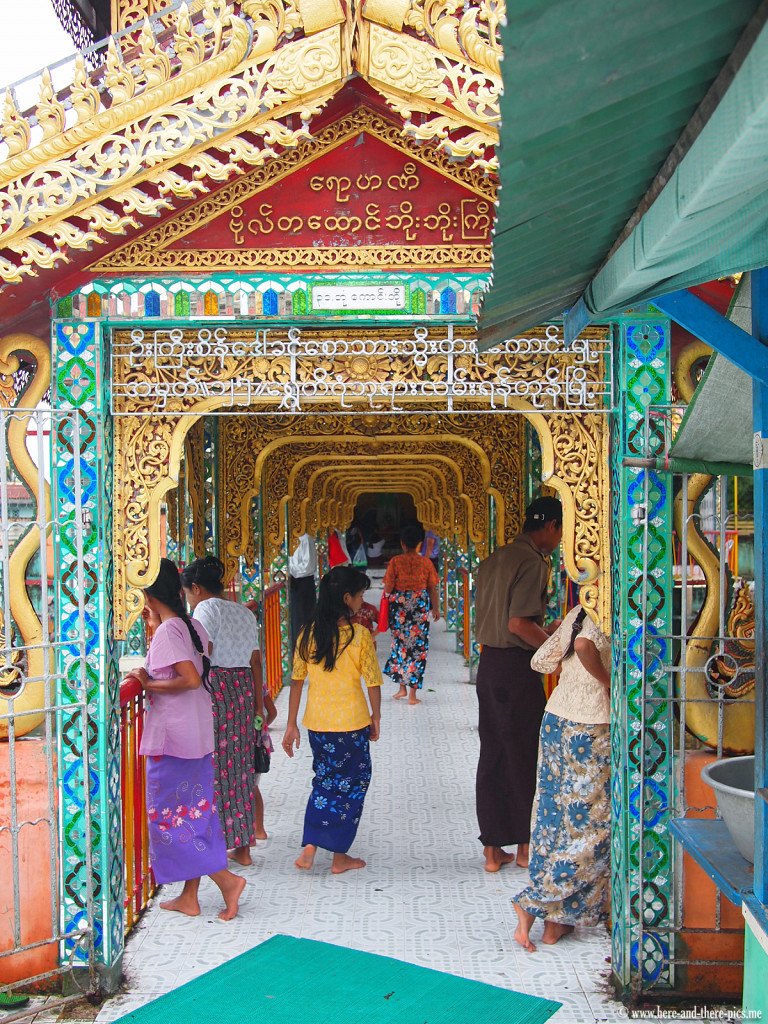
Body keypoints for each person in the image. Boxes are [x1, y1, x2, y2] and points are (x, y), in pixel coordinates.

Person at [127, 558, 245, 920]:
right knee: (195, 814)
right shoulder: (190, 625)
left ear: (147, 593)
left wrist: (148, 684)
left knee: (170, 819)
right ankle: (189, 897)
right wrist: (154, 622)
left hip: (173, 741)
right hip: (196, 735)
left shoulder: (168, 632)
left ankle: (227, 880)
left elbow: (190, 678)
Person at [513, 604, 611, 952]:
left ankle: (555, 924)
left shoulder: (578, 611)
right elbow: (584, 647)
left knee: (554, 820)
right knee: (593, 828)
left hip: (556, 719)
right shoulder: (606, 607)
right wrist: (608, 681)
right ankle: (535, 902)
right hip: (589, 726)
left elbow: (543, 659)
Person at [473, 496, 563, 873]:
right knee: (524, 755)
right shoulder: (532, 562)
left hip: (489, 665)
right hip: (516, 668)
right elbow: (519, 625)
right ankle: (525, 848)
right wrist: (554, 646)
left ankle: (493, 851)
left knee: (492, 754)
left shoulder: (495, 558)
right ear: (551, 528)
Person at [282, 565, 382, 873]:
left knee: (325, 781)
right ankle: (339, 857)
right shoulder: (360, 636)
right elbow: (373, 682)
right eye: (361, 595)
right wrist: (375, 717)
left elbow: (297, 681)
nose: (362, 601)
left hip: (318, 725)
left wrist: (291, 723)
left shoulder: (307, 633)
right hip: (351, 725)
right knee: (352, 785)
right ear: (346, 598)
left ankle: (312, 843)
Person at [181, 556, 270, 867]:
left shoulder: (204, 610)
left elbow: (202, 654)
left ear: (195, 588)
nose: (189, 600)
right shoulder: (243, 612)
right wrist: (259, 705)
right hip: (244, 687)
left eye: (188, 593)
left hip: (217, 688)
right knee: (242, 770)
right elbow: (256, 660)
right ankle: (243, 847)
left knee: (217, 771)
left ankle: (218, 843)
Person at [382, 523, 440, 705]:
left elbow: (389, 587)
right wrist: (436, 608)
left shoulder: (395, 562)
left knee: (400, 646)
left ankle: (402, 689)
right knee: (417, 649)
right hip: (419, 608)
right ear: (419, 544)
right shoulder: (426, 562)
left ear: (402, 543)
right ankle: (412, 696)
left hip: (400, 609)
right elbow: (432, 588)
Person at [288, 533, 317, 652]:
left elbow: (308, 567)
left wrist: (287, 568)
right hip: (293, 582)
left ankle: (304, 650)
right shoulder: (286, 538)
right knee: (294, 620)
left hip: (303, 583)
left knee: (302, 619)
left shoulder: (305, 539)